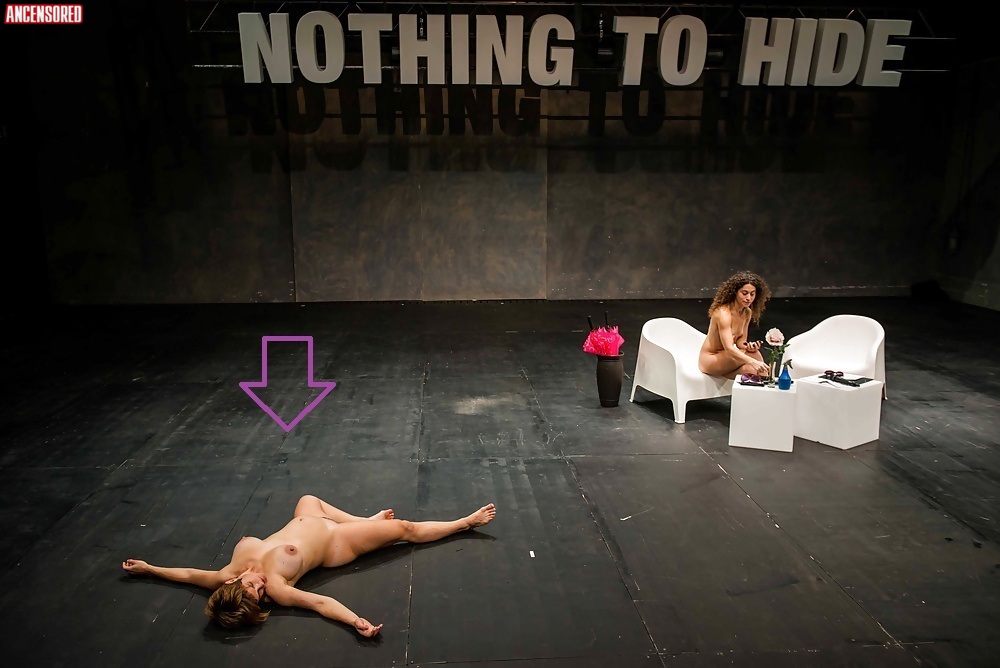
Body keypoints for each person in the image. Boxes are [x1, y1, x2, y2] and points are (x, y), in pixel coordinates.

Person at [122, 495, 497, 635]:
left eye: (253, 588)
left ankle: (365, 521)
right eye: (260, 596)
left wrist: (149, 568)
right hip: (336, 543)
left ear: (233, 583)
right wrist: (355, 621)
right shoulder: (277, 587)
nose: (262, 589)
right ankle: (464, 523)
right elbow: (320, 603)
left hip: (314, 517)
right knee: (403, 529)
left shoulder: (224, 576)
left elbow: (189, 575)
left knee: (307, 497)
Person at [698, 270, 772, 380]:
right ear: (735, 292)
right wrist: (753, 361)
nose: (749, 298)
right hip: (711, 359)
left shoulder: (747, 313)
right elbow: (729, 348)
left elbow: (741, 342)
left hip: (727, 358)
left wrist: (750, 347)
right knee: (753, 357)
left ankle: (764, 382)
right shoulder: (723, 313)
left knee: (752, 365)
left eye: (752, 294)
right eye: (744, 293)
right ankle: (767, 381)